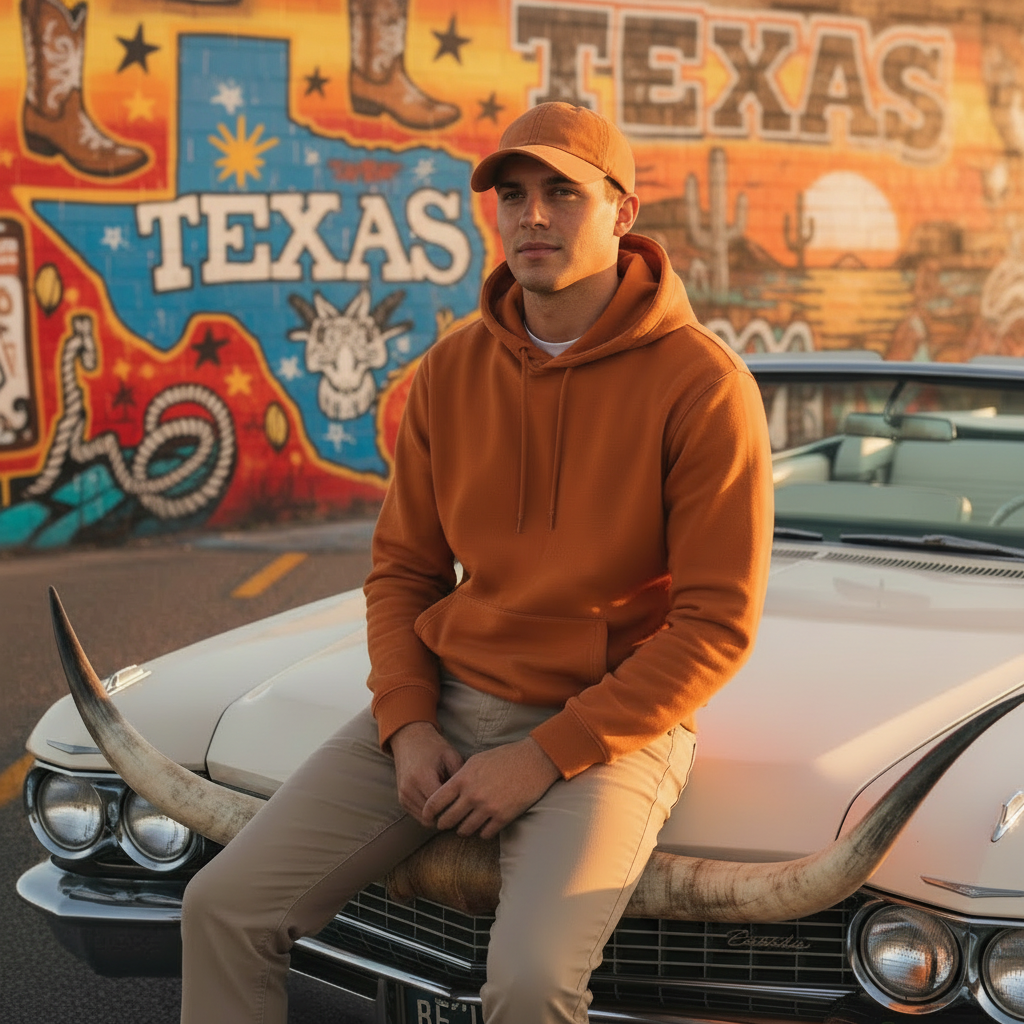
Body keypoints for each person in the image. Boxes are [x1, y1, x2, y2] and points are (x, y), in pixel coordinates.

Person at [179, 101, 774, 1024]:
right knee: (222, 908)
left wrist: (540, 758)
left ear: (622, 214)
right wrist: (408, 723)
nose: (531, 216)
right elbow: (404, 575)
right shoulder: (450, 372)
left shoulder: (703, 385)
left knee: (531, 987)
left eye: (561, 194)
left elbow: (715, 627)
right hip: (450, 703)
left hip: (608, 731)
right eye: (513, 194)